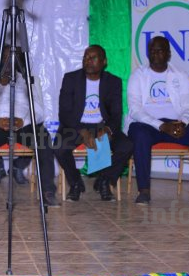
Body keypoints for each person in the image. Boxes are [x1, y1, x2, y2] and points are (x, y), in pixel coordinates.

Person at [0, 45, 58, 208]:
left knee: (43, 137)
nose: (10, 61)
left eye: (14, 57)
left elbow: (40, 112)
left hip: (24, 127)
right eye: (6, 57)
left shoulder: (29, 81)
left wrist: (24, 121)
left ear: (20, 61)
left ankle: (48, 192)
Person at [53, 45, 133, 202]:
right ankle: (76, 183)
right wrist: (82, 131)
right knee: (59, 147)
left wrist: (107, 129)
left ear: (104, 61)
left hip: (101, 125)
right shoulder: (71, 79)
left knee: (127, 146)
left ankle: (104, 180)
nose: (88, 60)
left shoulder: (113, 81)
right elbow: (64, 113)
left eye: (93, 57)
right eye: (85, 57)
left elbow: (116, 114)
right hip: (75, 126)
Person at [127, 36, 189, 205]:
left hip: (176, 124)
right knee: (139, 134)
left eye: (160, 50)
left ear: (168, 54)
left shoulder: (180, 75)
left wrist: (183, 122)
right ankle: (144, 190)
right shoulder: (138, 76)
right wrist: (161, 125)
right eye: (152, 51)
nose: (155, 54)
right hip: (148, 125)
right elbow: (135, 110)